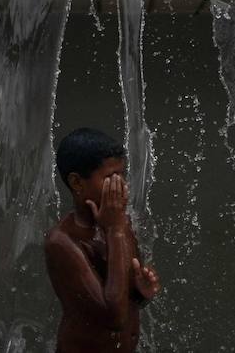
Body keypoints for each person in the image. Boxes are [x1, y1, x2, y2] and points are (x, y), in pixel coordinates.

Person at [46, 128, 160, 352]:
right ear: (77, 183)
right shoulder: (62, 242)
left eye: (122, 175)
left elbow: (125, 299)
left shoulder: (119, 222)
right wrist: (115, 230)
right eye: (110, 178)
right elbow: (113, 317)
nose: (122, 186)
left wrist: (140, 294)